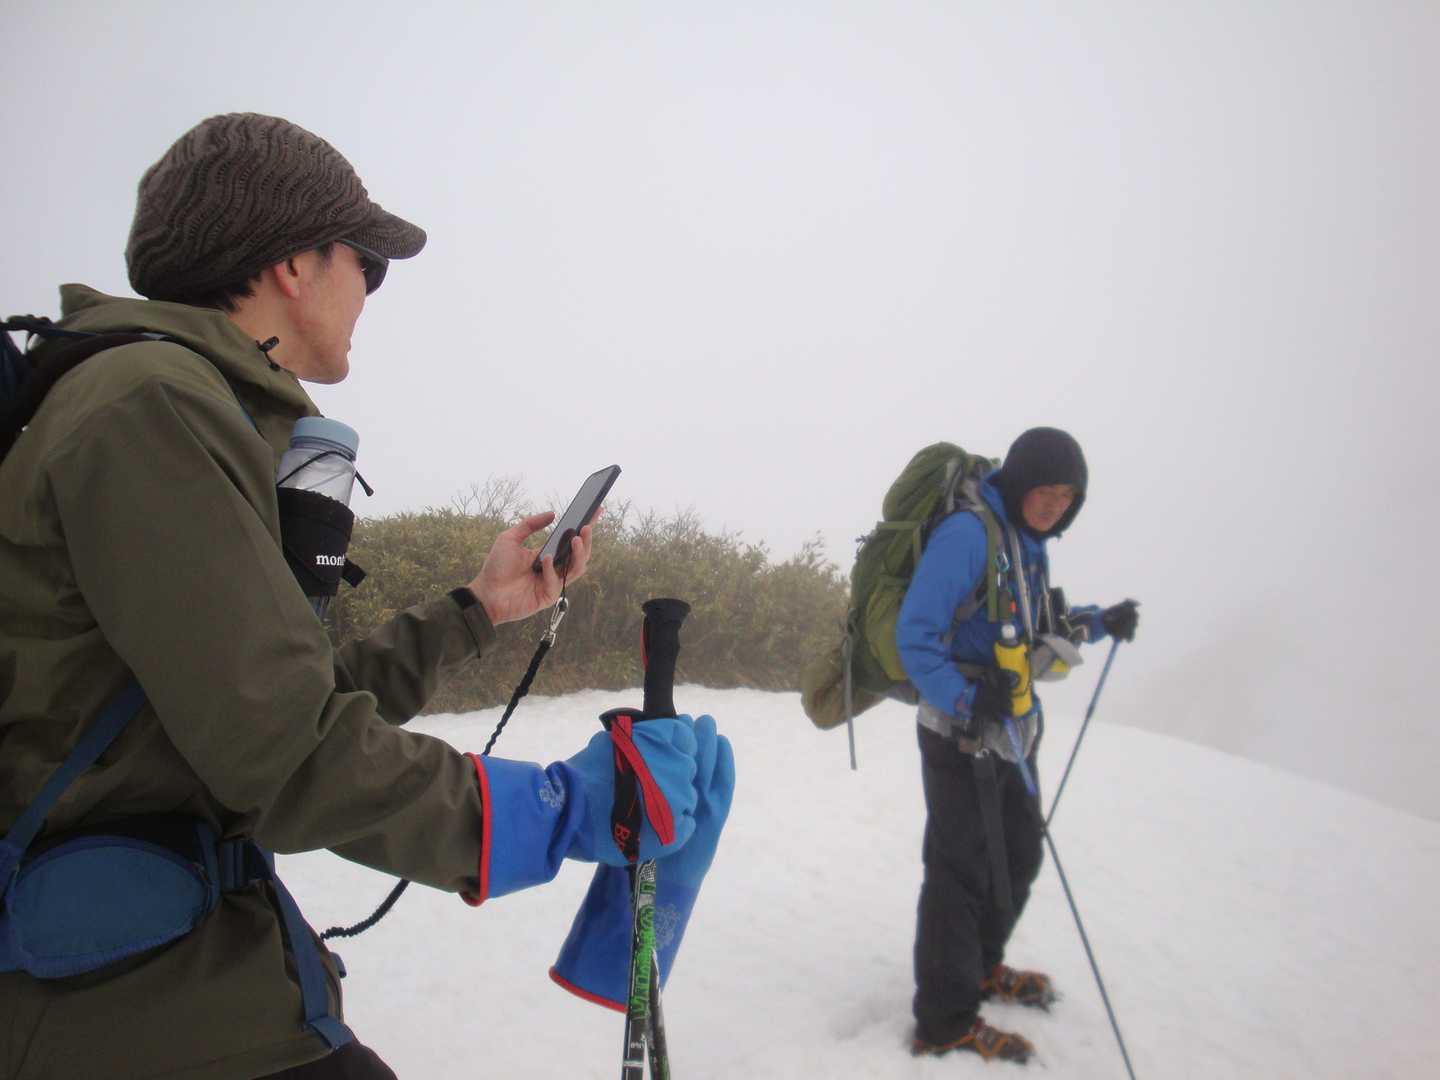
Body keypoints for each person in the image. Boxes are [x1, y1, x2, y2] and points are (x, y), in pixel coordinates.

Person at [0, 113, 721, 1079]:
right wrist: (562, 809)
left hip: (151, 971)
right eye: (366, 264)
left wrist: (477, 609)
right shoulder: (152, 406)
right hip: (117, 1012)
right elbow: (288, 754)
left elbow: (269, 706)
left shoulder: (174, 406)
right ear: (292, 264)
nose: (372, 293)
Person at [896, 426, 1139, 1063]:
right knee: (959, 872)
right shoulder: (967, 536)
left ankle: (979, 967)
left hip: (1011, 732)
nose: (1055, 506)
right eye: (1046, 491)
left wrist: (1099, 622)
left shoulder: (1025, 543)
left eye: (1067, 497)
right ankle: (944, 1021)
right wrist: (966, 701)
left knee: (1018, 855)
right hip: (959, 734)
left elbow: (1035, 624)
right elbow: (915, 637)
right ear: (1020, 482)